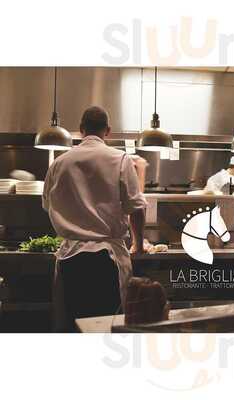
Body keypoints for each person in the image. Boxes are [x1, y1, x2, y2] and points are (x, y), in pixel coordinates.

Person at [42, 106, 147, 331]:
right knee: (106, 329)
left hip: (70, 258)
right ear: (107, 130)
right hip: (106, 259)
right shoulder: (120, 159)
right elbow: (137, 208)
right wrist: (138, 244)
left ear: (81, 129)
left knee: (74, 327)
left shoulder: (59, 163)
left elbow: (47, 205)